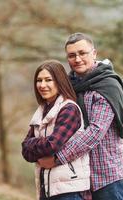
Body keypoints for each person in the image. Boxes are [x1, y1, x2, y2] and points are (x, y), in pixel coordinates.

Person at [38, 33, 123, 200]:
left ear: (94, 53)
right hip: (75, 177)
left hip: (105, 177)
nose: (77, 59)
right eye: (72, 55)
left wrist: (57, 158)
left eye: (82, 53)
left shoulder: (108, 86)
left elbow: (95, 132)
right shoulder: (68, 86)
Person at [21, 60, 90, 200]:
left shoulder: (69, 109)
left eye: (48, 80)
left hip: (69, 190)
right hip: (47, 188)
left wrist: (33, 144)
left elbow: (52, 145)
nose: (42, 85)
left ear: (59, 82)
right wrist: (34, 145)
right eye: (39, 80)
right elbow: (25, 151)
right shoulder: (41, 111)